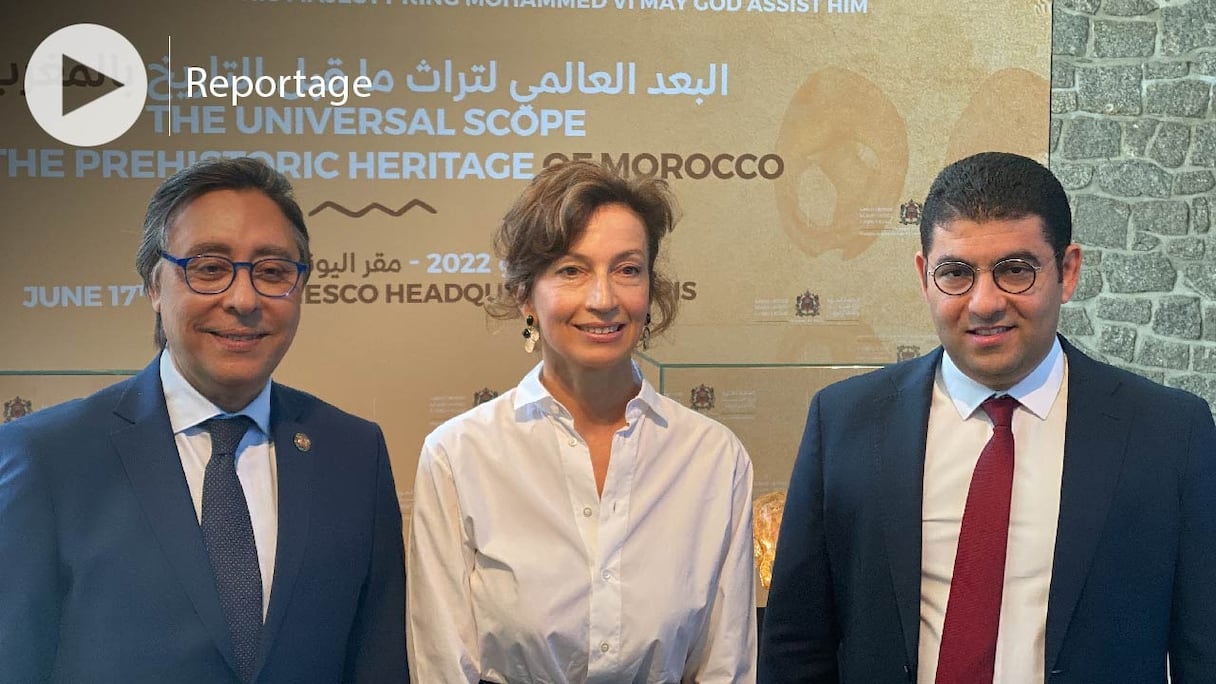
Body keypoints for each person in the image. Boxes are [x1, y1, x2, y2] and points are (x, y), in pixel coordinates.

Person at [759, 151, 1216, 684]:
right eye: (955, 273)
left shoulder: (1170, 435)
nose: (984, 303)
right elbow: (795, 644)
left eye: (1015, 271)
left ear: (1067, 272)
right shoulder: (844, 423)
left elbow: (1202, 649)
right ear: (923, 275)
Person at [0, 157, 409, 683]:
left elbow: (375, 663)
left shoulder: (352, 452)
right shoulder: (49, 458)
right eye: (209, 268)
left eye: (273, 271)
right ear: (154, 285)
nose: (242, 299)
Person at [407, 160, 757, 683]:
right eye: (571, 270)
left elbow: (725, 668)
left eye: (627, 269)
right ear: (526, 294)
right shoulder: (458, 456)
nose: (603, 299)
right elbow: (442, 668)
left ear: (650, 289)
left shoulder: (713, 458)